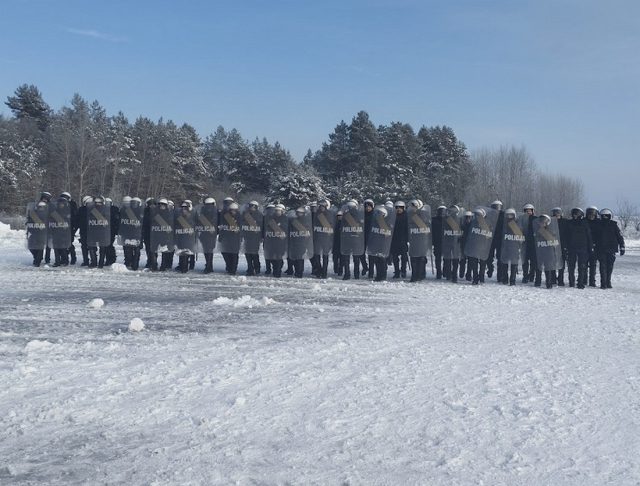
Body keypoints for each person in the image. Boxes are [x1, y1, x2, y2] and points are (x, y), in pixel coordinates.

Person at [595, 208, 625, 289]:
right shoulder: (598, 225)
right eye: (603, 216)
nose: (605, 217)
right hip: (601, 249)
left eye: (606, 216)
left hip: (611, 249)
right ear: (601, 216)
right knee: (603, 266)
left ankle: (608, 282)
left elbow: (619, 237)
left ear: (610, 216)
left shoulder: (614, 225)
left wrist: (622, 246)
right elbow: (594, 237)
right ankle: (603, 283)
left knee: (610, 266)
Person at [566, 207, 593, 289]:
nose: (575, 216)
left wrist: (590, 247)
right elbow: (566, 235)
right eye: (574, 214)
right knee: (571, 266)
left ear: (581, 214)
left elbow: (589, 236)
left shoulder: (584, 223)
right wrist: (565, 247)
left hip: (583, 247)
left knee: (582, 266)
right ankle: (571, 282)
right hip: (571, 247)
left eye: (577, 214)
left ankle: (580, 283)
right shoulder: (569, 223)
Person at [390, 201, 408, 278]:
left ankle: (403, 270)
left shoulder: (407, 216)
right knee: (395, 257)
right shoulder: (392, 216)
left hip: (403, 239)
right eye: (397, 207)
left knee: (404, 257)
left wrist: (408, 239)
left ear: (403, 208)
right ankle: (397, 271)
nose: (398, 209)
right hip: (394, 240)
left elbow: (408, 228)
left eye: (400, 207)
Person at [487, 200, 504, 281]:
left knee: (500, 257)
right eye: (495, 207)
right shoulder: (489, 215)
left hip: (500, 239)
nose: (497, 209)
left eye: (498, 207)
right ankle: (490, 269)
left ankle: (500, 275)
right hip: (490, 238)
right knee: (489, 256)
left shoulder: (503, 215)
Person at [551, 207, 568, 286]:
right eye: (555, 213)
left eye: (558, 213)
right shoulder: (550, 222)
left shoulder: (565, 222)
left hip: (563, 245)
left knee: (562, 263)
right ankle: (553, 279)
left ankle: (560, 279)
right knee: (552, 262)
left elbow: (568, 234)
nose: (557, 214)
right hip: (552, 244)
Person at [585, 206, 600, 287]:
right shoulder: (584, 222)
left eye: (593, 215)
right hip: (585, 246)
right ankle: (584, 279)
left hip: (595, 246)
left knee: (593, 265)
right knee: (584, 264)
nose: (591, 216)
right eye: (590, 215)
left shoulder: (598, 222)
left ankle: (592, 281)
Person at [521, 203, 536, 283]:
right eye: (527, 211)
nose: (528, 212)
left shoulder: (536, 219)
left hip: (533, 243)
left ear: (533, 211)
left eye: (530, 211)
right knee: (525, 261)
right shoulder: (521, 219)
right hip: (524, 243)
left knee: (533, 261)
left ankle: (532, 276)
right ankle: (525, 276)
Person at [432, 205, 446, 279]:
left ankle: (445, 270)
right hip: (437, 241)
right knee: (438, 258)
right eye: (440, 211)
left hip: (446, 242)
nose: (441, 213)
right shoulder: (434, 220)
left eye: (443, 212)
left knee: (446, 258)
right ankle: (438, 272)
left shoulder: (448, 220)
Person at [459, 210, 473, 281]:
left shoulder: (473, 226)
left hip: (471, 246)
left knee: (470, 262)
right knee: (462, 260)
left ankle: (468, 275)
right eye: (466, 217)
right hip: (463, 245)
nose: (468, 219)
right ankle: (461, 273)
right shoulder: (461, 226)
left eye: (469, 217)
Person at [333, 210, 343, 275]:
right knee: (335, 258)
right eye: (338, 216)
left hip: (342, 243)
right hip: (335, 243)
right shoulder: (335, 223)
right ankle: (336, 269)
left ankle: (340, 270)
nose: (339, 217)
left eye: (340, 216)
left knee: (342, 258)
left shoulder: (344, 223)